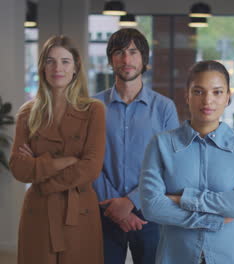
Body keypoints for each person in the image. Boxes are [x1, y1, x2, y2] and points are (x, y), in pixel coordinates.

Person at [140, 60, 234, 264]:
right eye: (198, 91)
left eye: (217, 92)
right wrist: (215, 218)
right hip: (177, 257)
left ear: (228, 98)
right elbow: (152, 206)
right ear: (187, 96)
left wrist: (182, 198)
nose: (208, 100)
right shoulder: (161, 144)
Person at [9, 35, 105, 264]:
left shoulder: (93, 110)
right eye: (50, 61)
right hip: (39, 212)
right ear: (42, 67)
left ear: (75, 67)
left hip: (79, 211)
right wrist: (63, 161)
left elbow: (91, 167)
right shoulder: (27, 112)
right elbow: (19, 169)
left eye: (65, 61)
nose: (57, 68)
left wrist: (40, 171)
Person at [93, 28, 179, 264]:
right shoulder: (93, 107)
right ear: (111, 59)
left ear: (144, 60)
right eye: (119, 52)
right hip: (103, 211)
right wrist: (115, 206)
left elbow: (169, 164)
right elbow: (88, 160)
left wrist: (131, 201)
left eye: (133, 52)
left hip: (150, 212)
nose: (127, 59)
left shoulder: (164, 108)